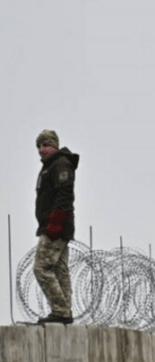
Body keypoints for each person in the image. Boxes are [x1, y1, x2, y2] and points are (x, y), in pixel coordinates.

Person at [33, 129, 80, 324]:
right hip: (54, 225)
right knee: (60, 270)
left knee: (41, 268)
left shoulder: (60, 164)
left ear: (54, 144)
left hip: (56, 226)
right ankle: (65, 311)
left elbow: (65, 194)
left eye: (45, 145)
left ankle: (60, 310)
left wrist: (55, 221)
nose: (41, 150)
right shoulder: (49, 167)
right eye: (39, 146)